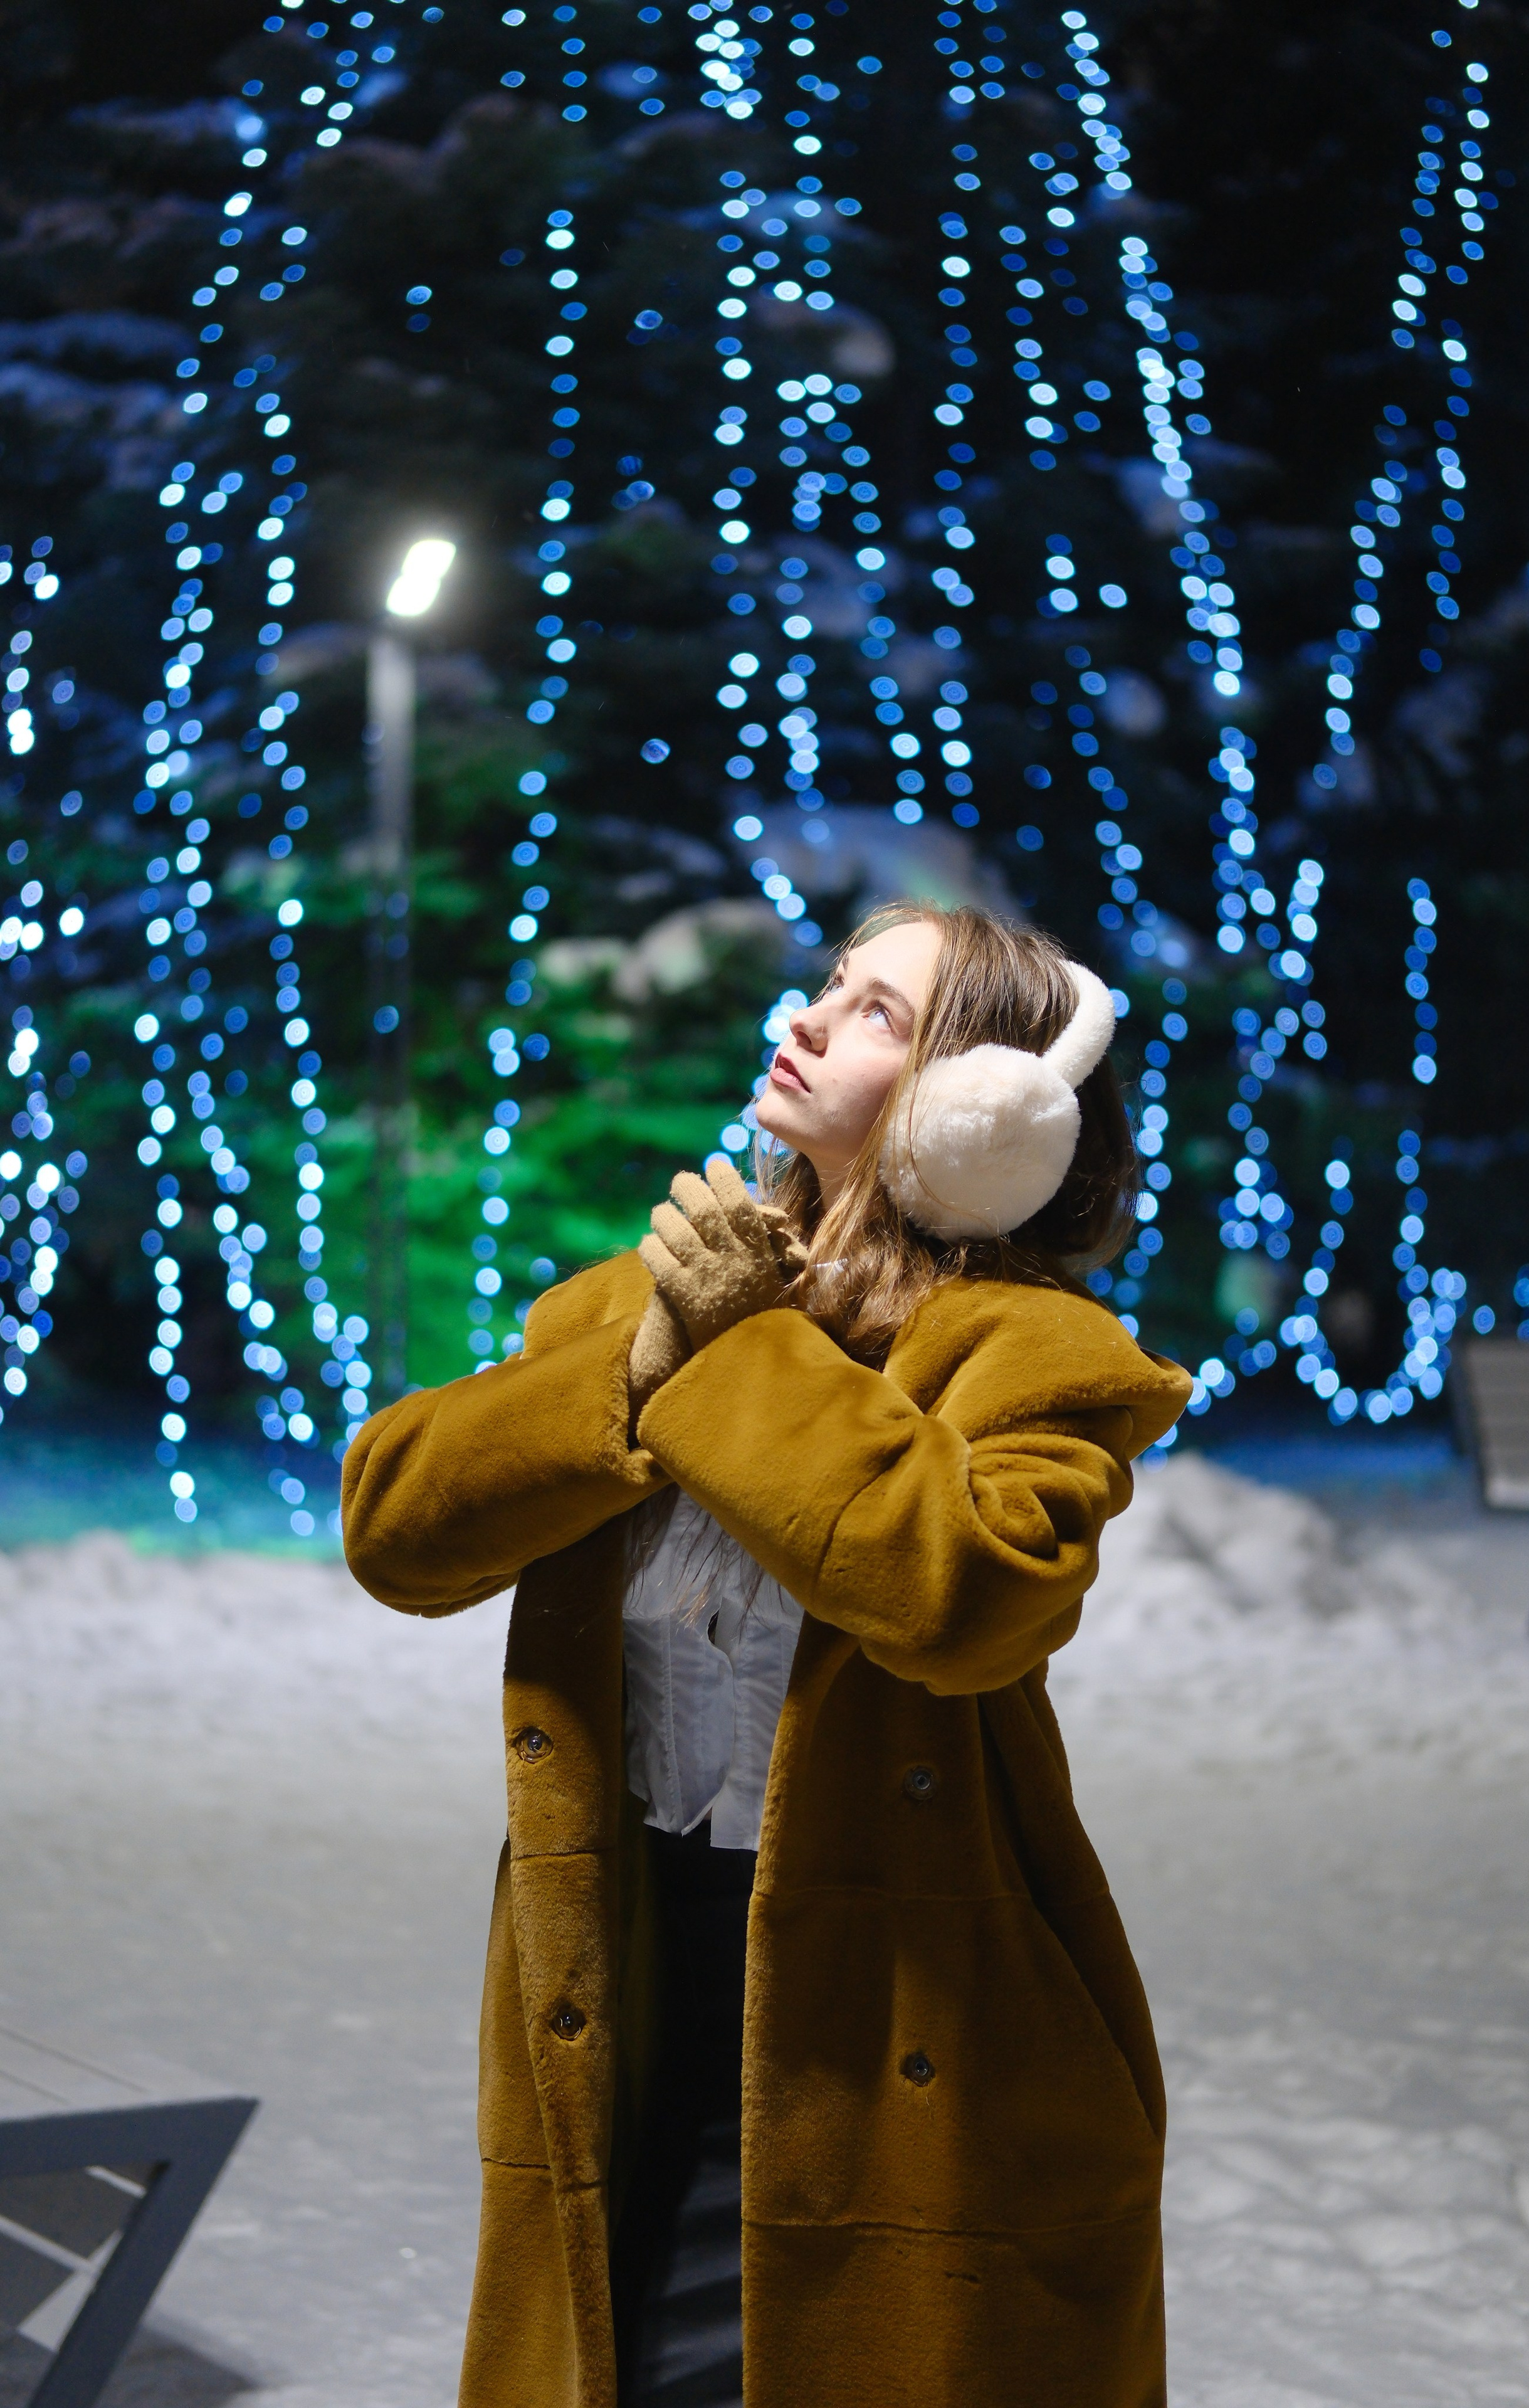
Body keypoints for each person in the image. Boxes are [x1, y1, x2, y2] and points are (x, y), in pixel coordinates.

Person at [342, 900, 1192, 2408]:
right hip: (628, 1977)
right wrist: (642, 1369)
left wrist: (742, 1350)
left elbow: (962, 1601)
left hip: (903, 2030)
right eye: (827, 987)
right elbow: (396, 1524)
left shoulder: (1035, 1355)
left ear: (976, 1103)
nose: (803, 1019)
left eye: (875, 1012)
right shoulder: (646, 1302)